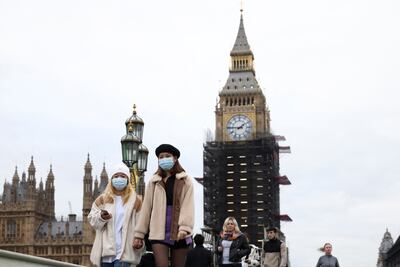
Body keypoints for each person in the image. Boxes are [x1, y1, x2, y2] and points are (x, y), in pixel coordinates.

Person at [133, 144, 194, 267]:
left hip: (178, 229)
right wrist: (139, 234)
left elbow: (188, 206)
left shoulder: (185, 180)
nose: (164, 159)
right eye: (161, 157)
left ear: (175, 158)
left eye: (167, 156)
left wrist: (184, 228)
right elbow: (146, 209)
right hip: (158, 229)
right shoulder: (154, 181)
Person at [88, 163, 143, 267]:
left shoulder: (135, 200)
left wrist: (139, 238)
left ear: (127, 179)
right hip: (106, 251)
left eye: (122, 176)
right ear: (111, 179)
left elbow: (141, 223)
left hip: (124, 251)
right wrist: (101, 217)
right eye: (116, 176)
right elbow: (92, 220)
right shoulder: (102, 199)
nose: (119, 179)